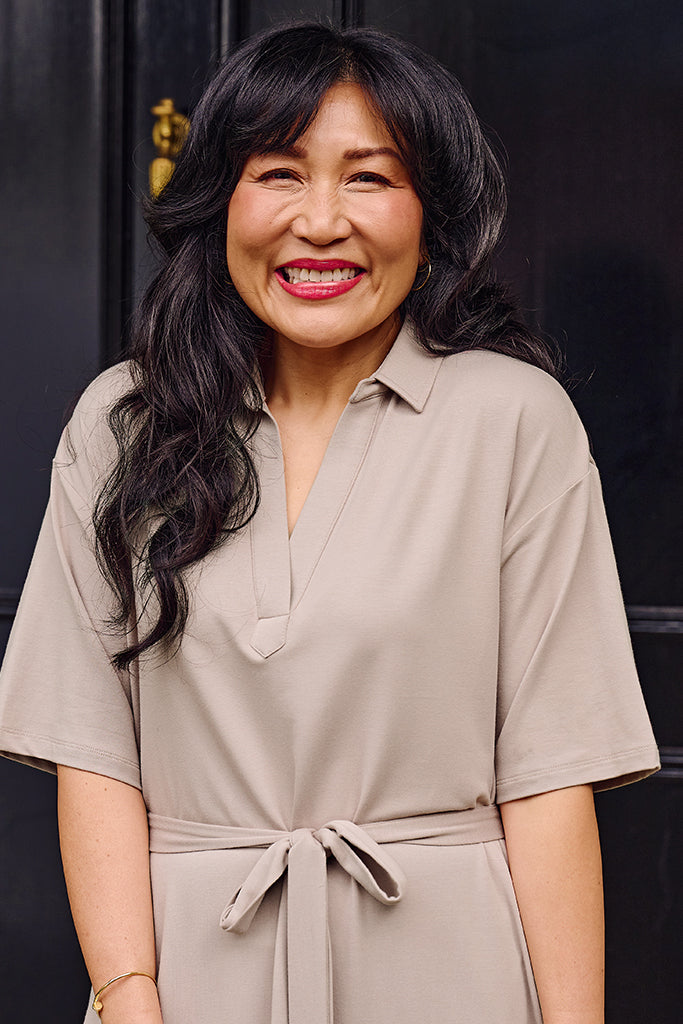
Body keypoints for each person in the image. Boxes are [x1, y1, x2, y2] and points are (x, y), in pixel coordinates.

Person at [0, 21, 659, 1024]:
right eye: (277, 173)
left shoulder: (512, 420)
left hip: (452, 972)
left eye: (367, 178)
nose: (319, 222)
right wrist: (130, 995)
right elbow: (93, 752)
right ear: (220, 200)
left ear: (428, 212)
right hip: (188, 975)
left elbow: (546, 778)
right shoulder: (123, 421)